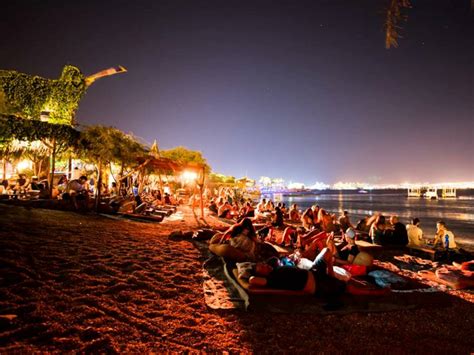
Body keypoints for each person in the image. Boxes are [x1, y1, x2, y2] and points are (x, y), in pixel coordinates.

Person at [248, 248, 346, 306]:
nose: (265, 265)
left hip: (314, 271)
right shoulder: (271, 279)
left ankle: (331, 275)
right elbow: (252, 280)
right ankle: (332, 279)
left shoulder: (275, 268)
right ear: (261, 275)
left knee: (327, 251)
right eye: (262, 268)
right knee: (347, 288)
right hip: (319, 284)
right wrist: (250, 274)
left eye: (263, 264)